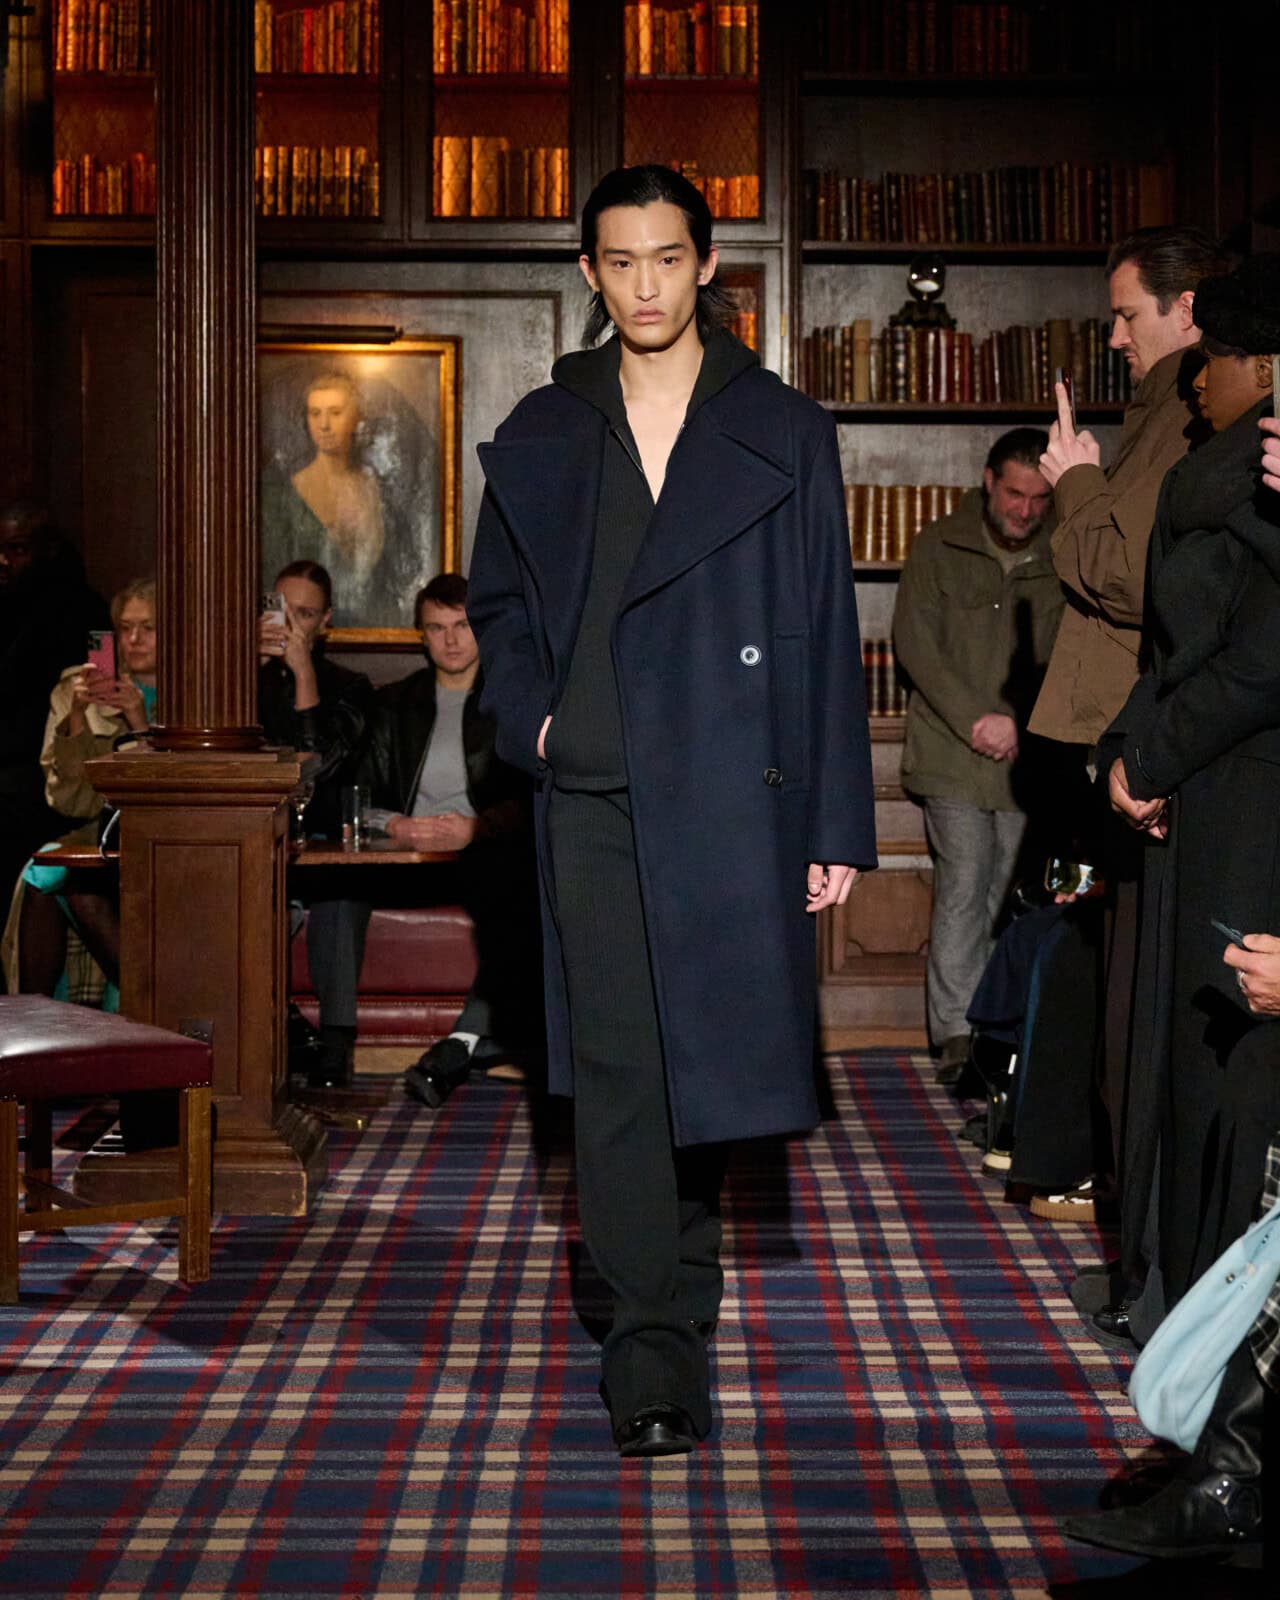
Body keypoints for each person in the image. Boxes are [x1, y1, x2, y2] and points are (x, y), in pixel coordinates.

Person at [467, 164, 876, 1457]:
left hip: (733, 791)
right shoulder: (546, 424)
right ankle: (651, 1346)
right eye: (619, 260)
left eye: (665, 258)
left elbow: (823, 623)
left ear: (706, 265)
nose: (644, 285)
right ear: (590, 272)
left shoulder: (782, 426)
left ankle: (677, 1291)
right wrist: (537, 725)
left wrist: (834, 821)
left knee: (706, 1061)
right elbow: (498, 611)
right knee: (620, 1071)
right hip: (593, 787)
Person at [1028, 227, 1225, 1337]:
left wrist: (1076, 481)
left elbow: (1123, 573)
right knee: (1118, 1003)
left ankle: (1147, 1264)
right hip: (1127, 744)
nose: (1112, 335)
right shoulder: (1162, 410)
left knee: (1141, 1015)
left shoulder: (1187, 413)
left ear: (1185, 310)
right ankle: (1134, 1252)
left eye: (1124, 313)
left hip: (1154, 750)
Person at [1100, 253, 1280, 1319]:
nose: (1195, 378)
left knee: (1221, 1070)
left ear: (1263, 365)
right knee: (1187, 1060)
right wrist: (1128, 749)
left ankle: (1210, 1333)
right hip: (1205, 794)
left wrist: (1146, 757)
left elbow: (1257, 662)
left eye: (1213, 356)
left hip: (1247, 810)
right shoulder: (1220, 470)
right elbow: (1175, 653)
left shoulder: (1250, 479)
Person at [892, 428, 1061, 1081]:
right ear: (989, 482)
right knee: (964, 884)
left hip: (1029, 755)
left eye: (1039, 499)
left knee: (1009, 892)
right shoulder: (937, 544)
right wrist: (976, 721)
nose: (1025, 510)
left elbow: (1074, 652)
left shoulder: (1065, 551)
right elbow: (915, 644)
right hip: (951, 752)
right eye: (1015, 494)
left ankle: (999, 1029)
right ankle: (958, 1036)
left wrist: (1021, 722)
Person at [358, 573, 540, 1108]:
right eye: (437, 628)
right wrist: (392, 824)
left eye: (462, 625)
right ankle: (333, 1048)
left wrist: (477, 827)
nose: (451, 639)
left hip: (483, 859)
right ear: (422, 635)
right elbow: (354, 798)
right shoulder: (393, 703)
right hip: (402, 860)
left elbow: (530, 797)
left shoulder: (508, 704)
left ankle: (460, 1041)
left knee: (520, 884)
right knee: (333, 891)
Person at [4, 576, 157, 1003]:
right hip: (96, 831)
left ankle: (146, 996)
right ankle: (36, 1013)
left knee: (76, 886)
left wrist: (139, 723)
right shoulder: (76, 689)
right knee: (45, 871)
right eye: (125, 628)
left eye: (148, 628)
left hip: (158, 834)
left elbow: (164, 790)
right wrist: (76, 718)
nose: (134, 639)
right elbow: (68, 799)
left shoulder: (194, 695)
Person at [258, 558, 373, 1088]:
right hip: (251, 840)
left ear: (324, 621)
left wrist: (303, 672)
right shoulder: (235, 682)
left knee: (340, 889)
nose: (290, 623)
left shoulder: (349, 685)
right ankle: (274, 1027)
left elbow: (319, 768)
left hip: (322, 839)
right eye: (280, 609)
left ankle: (335, 1045)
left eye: (303, 614)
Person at [0, 501, 108, 929]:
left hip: (50, 773)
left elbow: (101, 680)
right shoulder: (8, 603)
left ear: (47, 550)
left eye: (17, 549)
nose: (4, 562)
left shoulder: (81, 608)